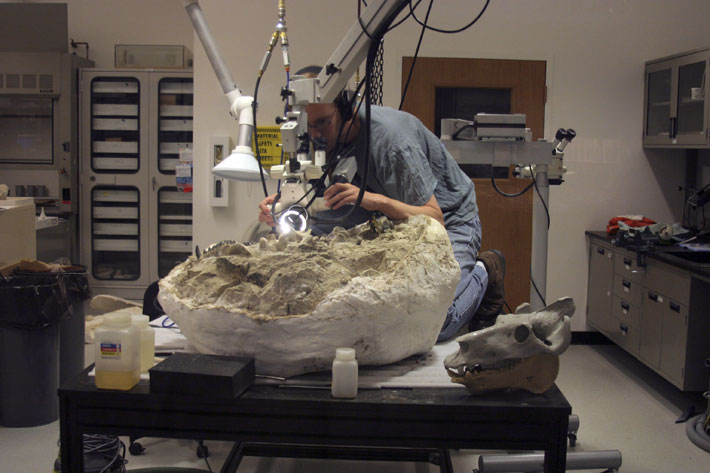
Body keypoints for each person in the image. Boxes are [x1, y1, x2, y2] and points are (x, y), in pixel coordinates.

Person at [258, 66, 505, 342]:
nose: (315, 134)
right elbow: (321, 199)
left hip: (449, 217)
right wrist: (286, 205)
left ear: (348, 111)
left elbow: (434, 218)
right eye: (309, 125)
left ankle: (487, 271)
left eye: (323, 123)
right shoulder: (321, 137)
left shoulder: (391, 144)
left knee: (435, 321)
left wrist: (371, 200)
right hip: (381, 212)